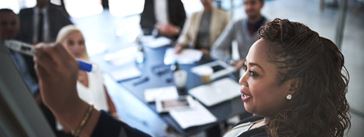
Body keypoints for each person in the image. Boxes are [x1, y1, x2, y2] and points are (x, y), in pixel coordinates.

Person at [34, 18, 350, 137]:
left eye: (253, 73)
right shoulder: (278, 121)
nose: (241, 81)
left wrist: (73, 110)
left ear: (292, 85)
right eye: (244, 68)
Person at [56, 25, 117, 117]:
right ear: (60, 46)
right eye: (71, 43)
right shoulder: (58, 78)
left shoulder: (93, 67)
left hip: (106, 119)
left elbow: (105, 94)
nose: (77, 47)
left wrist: (115, 115)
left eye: (81, 43)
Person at [212, 0, 267, 69]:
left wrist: (247, 62)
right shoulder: (237, 24)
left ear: (262, 4)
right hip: (242, 72)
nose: (248, 7)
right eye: (245, 3)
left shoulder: (271, 28)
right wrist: (230, 61)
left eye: (253, 3)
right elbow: (217, 49)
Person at [0, 8, 38, 94]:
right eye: (3, 24)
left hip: (37, 93)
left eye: (13, 23)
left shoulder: (23, 47)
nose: (9, 27)